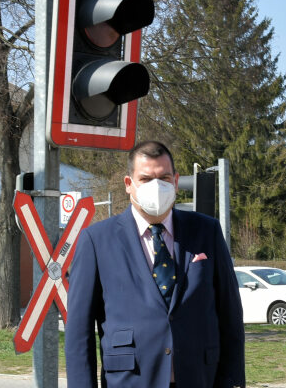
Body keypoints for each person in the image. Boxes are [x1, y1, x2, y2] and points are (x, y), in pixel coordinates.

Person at [65, 141, 245, 387]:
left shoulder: (207, 231)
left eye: (164, 178)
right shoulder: (96, 241)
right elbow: (78, 334)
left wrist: (231, 381)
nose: (156, 186)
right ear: (129, 184)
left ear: (175, 181)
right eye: (146, 179)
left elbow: (230, 315)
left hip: (200, 378)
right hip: (130, 380)